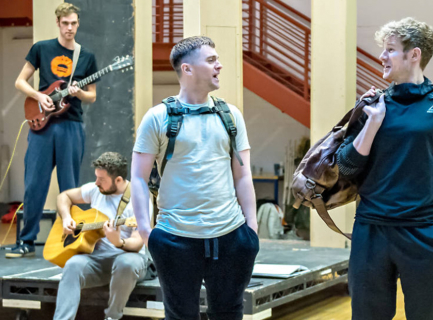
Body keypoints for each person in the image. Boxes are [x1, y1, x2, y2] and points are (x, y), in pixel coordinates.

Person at [337, 17, 433, 320]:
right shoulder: (372, 105)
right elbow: (345, 168)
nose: (382, 57)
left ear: (415, 54)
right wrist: (372, 124)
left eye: (390, 50)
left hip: (424, 233)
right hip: (370, 233)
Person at [131, 36, 259, 320]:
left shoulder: (231, 116)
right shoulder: (157, 117)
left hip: (231, 237)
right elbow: (138, 178)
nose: (220, 66)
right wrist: (145, 231)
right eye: (211, 60)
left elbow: (243, 174)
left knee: (229, 313)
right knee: (180, 316)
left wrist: (251, 229)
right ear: (187, 69)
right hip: (175, 238)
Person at [8, 2, 98, 258]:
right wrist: (39, 96)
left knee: (69, 186)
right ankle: (26, 241)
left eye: (74, 24)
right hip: (41, 126)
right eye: (65, 23)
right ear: (58, 23)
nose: (70, 28)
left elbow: (92, 96)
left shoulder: (87, 56)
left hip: (71, 125)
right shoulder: (41, 48)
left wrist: (79, 92)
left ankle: (69, 238)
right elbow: (19, 82)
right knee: (34, 184)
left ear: (78, 24)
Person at [54, 152, 150, 320]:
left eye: (102, 179)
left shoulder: (139, 198)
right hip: (96, 260)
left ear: (118, 180)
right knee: (73, 264)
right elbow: (64, 196)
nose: (97, 182)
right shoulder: (95, 189)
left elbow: (137, 243)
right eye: (96, 178)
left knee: (126, 262)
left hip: (128, 260)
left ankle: (112, 317)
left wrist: (119, 242)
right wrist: (67, 218)